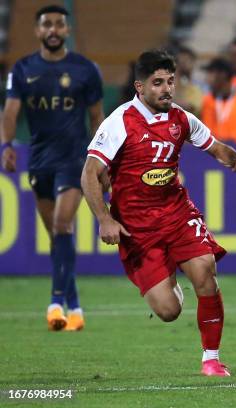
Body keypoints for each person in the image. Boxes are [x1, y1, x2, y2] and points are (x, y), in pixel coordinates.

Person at [80, 50, 236, 376]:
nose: (167, 89)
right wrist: (105, 218)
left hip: (177, 214)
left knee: (205, 270)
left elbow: (215, 146)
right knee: (168, 310)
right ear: (140, 86)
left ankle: (211, 359)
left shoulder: (182, 118)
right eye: (158, 82)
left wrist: (235, 158)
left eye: (171, 81)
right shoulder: (119, 123)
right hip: (138, 228)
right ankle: (168, 279)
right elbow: (89, 173)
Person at [1, 5, 105, 332]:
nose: (54, 30)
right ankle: (75, 307)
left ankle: (55, 301)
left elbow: (96, 117)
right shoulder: (22, 69)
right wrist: (6, 146)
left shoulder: (86, 70)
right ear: (38, 30)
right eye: (47, 25)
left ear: (68, 30)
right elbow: (10, 113)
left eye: (60, 24)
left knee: (62, 224)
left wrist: (101, 157)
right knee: (57, 235)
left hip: (74, 158)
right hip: (39, 159)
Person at [200, 58, 236, 145]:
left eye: (211, 73)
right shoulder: (207, 100)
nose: (207, 78)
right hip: (215, 151)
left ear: (222, 75)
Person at [172, 45, 204, 115]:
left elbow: (191, 107)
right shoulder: (170, 82)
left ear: (193, 62)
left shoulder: (198, 85)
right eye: (179, 62)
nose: (182, 64)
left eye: (186, 60)